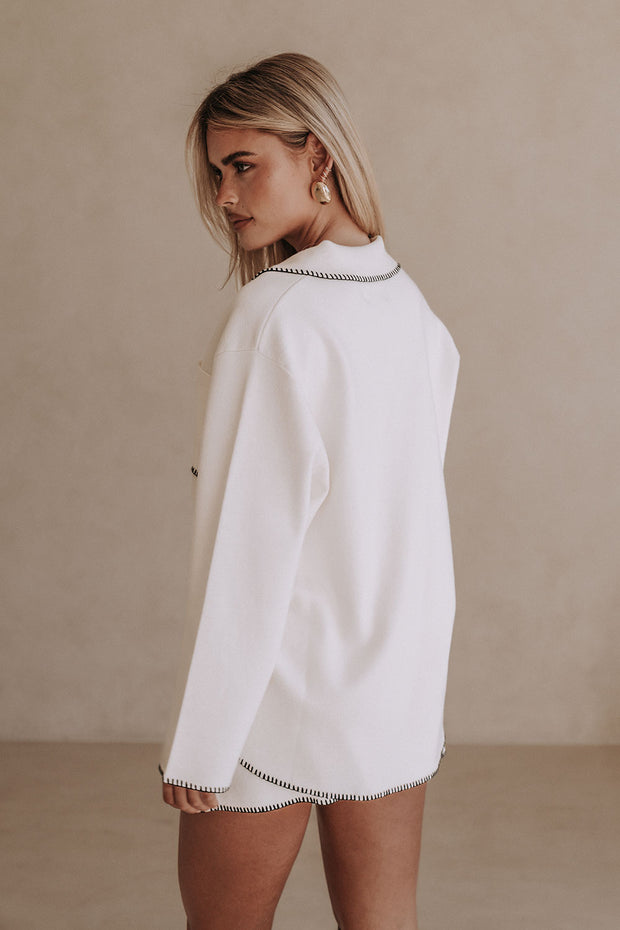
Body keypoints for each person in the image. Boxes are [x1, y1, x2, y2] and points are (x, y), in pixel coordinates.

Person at [159, 52, 460, 930]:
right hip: (391, 688)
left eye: (243, 165)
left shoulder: (277, 318)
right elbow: (402, 527)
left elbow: (246, 553)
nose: (225, 196)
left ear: (318, 155)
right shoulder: (414, 310)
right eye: (217, 174)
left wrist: (202, 740)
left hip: (275, 698)